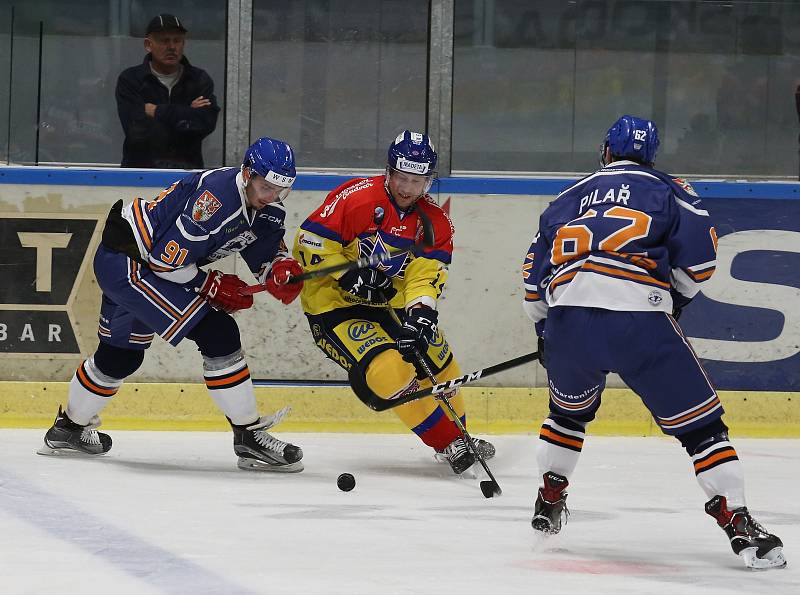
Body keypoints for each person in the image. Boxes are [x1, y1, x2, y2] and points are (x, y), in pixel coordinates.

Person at [521, 115, 786, 570]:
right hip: (640, 320)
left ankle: (550, 496)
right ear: (652, 155)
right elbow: (700, 260)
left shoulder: (566, 197)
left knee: (566, 415)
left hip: (569, 322)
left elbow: (532, 276)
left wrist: (547, 329)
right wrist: (674, 300)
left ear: (605, 150)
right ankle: (737, 523)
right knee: (703, 430)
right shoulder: (670, 188)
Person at [38, 137, 306, 473]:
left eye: (280, 190)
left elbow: (263, 251)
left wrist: (279, 267)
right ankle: (249, 436)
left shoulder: (265, 208)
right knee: (218, 332)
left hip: (138, 262)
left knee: (122, 356)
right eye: (266, 187)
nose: (272, 197)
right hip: (132, 263)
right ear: (248, 173)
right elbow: (166, 262)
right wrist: (211, 284)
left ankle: (68, 430)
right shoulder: (215, 199)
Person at [291, 130, 494, 475]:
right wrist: (347, 275)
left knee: (439, 357)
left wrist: (420, 314)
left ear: (428, 181)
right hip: (334, 305)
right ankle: (448, 440)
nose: (407, 188)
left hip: (389, 305)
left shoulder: (435, 222)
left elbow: (425, 275)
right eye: (401, 177)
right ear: (388, 171)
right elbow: (307, 242)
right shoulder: (355, 199)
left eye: (417, 180)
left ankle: (461, 435)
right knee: (389, 370)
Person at [116, 14, 219, 169]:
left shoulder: (198, 79)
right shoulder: (131, 80)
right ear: (148, 45)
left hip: (186, 174)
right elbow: (136, 132)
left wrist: (157, 111)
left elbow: (205, 124)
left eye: (177, 40)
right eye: (164, 41)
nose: (172, 47)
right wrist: (187, 114)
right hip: (140, 174)